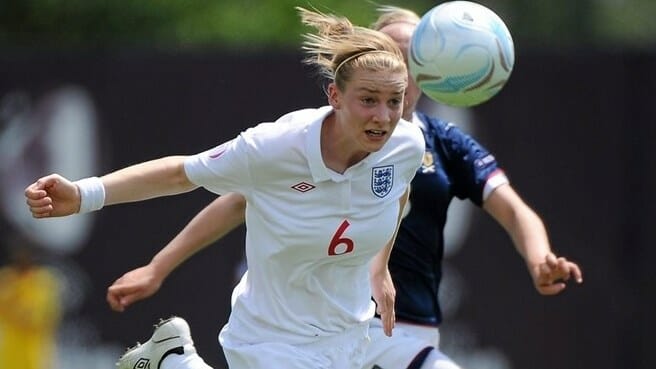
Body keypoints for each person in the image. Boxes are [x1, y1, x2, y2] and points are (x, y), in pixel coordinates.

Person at [100, 5, 585, 369]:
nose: (400, 70)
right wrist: (158, 266)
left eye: (411, 61)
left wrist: (539, 256)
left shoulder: (437, 144)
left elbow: (509, 209)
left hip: (405, 330)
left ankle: (174, 362)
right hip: (323, 321)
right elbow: (237, 201)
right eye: (389, 56)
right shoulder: (316, 140)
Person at [23, 6, 425, 369]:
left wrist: (380, 266)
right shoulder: (274, 148)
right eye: (369, 99)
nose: (384, 116)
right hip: (272, 337)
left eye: (395, 100)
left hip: (349, 332)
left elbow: (395, 196)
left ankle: (174, 361)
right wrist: (83, 194)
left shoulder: (406, 145)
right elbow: (181, 173)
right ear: (334, 96)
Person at [0, 235, 62, 369]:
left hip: (35, 353)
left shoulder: (43, 282)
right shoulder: (7, 279)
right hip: (9, 352)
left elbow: (39, 317)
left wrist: (15, 308)